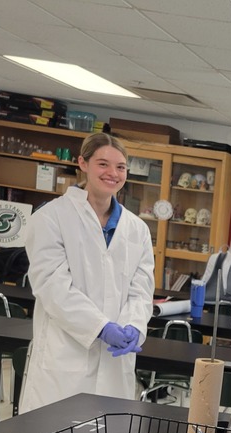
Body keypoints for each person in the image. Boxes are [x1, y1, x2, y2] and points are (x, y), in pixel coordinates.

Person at [20, 133, 154, 412]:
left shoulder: (136, 229)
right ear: (83, 163)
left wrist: (134, 325)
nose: (112, 173)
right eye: (103, 164)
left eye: (120, 167)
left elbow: (141, 288)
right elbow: (52, 286)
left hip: (115, 364)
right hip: (65, 358)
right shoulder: (51, 218)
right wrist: (100, 327)